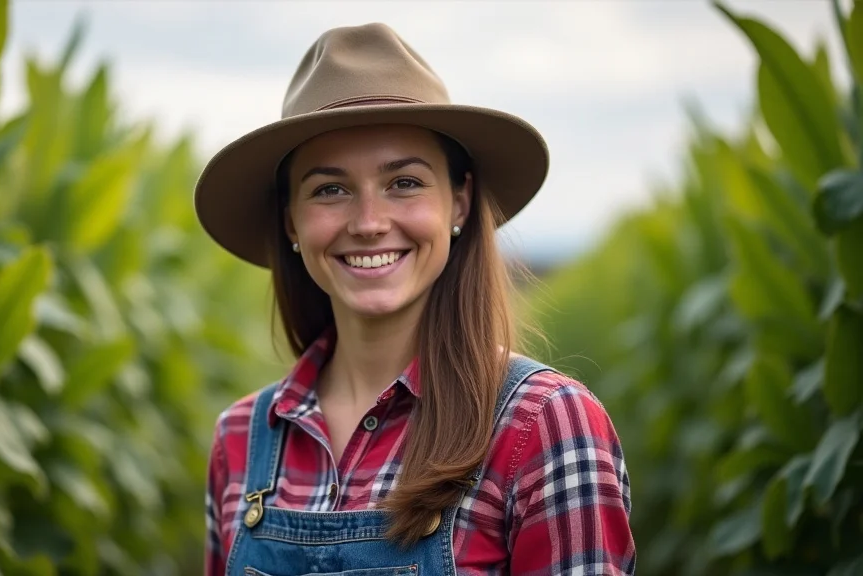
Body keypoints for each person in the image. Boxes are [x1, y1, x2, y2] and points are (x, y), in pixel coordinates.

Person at [197, 22, 635, 576]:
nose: (370, 222)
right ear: (291, 221)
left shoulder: (546, 425)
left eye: (404, 182)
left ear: (459, 202)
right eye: (330, 189)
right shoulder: (239, 437)